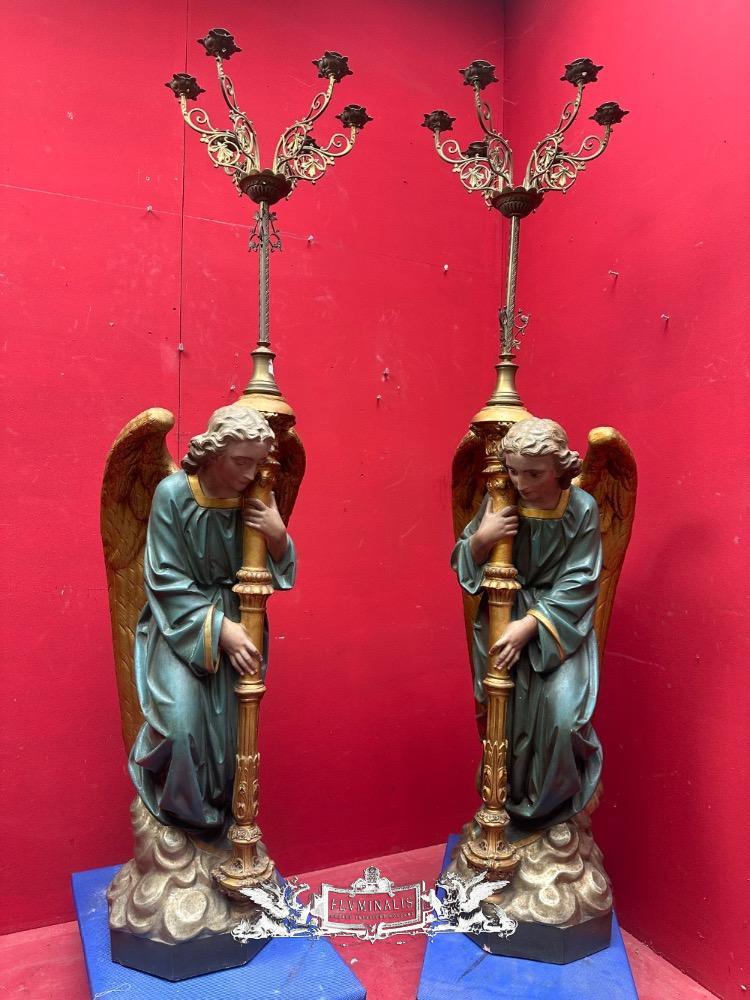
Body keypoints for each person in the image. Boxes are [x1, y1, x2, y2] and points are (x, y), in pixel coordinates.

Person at [129, 404, 296, 835]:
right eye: (241, 461)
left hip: (243, 618)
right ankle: (184, 825)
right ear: (214, 454)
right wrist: (221, 629)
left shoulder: (256, 494)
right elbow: (164, 576)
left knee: (231, 737)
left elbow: (275, 570)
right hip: (182, 625)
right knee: (180, 726)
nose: (250, 473)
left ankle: (221, 826)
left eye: (257, 462)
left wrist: (277, 535)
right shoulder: (173, 494)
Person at [451, 417, 602, 835]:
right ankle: (508, 806)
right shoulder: (500, 497)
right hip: (502, 615)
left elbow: (581, 579)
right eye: (514, 471)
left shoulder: (581, 508)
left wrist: (530, 625)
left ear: (559, 468)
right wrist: (483, 538)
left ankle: (553, 813)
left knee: (563, 718)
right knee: (504, 715)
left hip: (557, 627)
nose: (521, 483)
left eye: (534, 473)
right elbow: (462, 561)